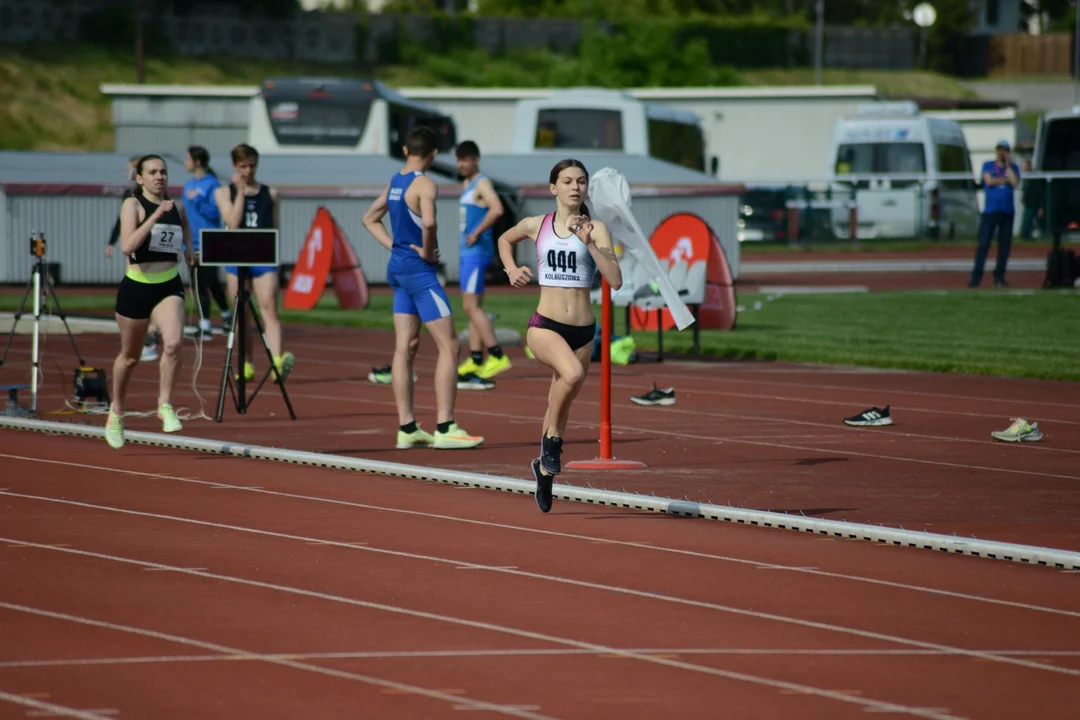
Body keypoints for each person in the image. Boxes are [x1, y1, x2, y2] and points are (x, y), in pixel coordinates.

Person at [496, 159, 623, 513]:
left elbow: (615, 280)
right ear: (553, 188)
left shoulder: (596, 229)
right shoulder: (537, 225)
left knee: (561, 402)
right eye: (567, 181)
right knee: (572, 375)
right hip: (545, 326)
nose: (575, 187)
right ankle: (551, 446)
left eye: (581, 181)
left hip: (582, 331)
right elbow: (505, 239)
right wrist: (510, 268)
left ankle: (544, 469)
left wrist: (591, 245)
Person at [361, 126, 484, 450]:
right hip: (419, 272)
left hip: (398, 269)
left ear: (405, 151)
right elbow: (429, 223)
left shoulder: (395, 182)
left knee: (406, 347)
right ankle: (445, 426)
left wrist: (394, 246)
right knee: (451, 347)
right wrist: (428, 252)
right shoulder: (425, 183)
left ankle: (407, 427)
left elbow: (369, 218)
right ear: (432, 155)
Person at [106, 154, 195, 449]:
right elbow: (128, 246)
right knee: (129, 358)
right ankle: (117, 411)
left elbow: (184, 226)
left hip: (168, 283)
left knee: (173, 343)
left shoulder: (176, 206)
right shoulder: (132, 205)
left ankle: (165, 404)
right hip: (136, 286)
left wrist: (190, 249)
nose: (160, 177)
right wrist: (155, 215)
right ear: (140, 178)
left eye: (164, 172)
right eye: (153, 172)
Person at [214, 143, 295, 383]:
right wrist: (240, 192)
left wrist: (275, 259)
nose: (248, 171)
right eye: (243, 167)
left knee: (269, 309)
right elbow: (233, 221)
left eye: (252, 166)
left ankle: (277, 362)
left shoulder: (270, 194)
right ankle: (246, 362)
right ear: (234, 166)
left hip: (262, 258)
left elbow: (275, 229)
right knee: (242, 314)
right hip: (235, 258)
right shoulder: (223, 193)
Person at [453, 140, 510, 383]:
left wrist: (476, 232)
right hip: (468, 252)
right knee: (473, 307)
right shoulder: (467, 184)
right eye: (459, 159)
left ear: (476, 159)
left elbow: (497, 209)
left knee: (470, 307)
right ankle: (476, 359)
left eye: (465, 159)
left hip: (477, 252)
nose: (461, 164)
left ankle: (497, 355)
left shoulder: (481, 183)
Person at [106, 155, 160, 363]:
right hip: (132, 247)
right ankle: (143, 336)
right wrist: (112, 241)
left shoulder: (152, 195)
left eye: (129, 170)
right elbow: (120, 221)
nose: (125, 173)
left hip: (148, 249)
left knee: (149, 290)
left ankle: (150, 335)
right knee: (137, 288)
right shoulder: (128, 197)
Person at [182, 146, 231, 338]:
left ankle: (205, 325)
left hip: (208, 240)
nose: (185, 163)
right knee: (209, 282)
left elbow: (216, 212)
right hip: (191, 241)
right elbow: (185, 214)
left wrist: (198, 201)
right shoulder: (188, 185)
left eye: (188, 159)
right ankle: (227, 317)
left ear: (197, 162)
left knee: (201, 282)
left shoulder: (212, 185)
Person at [970, 140, 1020, 288]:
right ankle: (976, 278)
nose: (1002, 153)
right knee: (984, 244)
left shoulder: (1013, 167)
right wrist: (1004, 180)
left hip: (1007, 211)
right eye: (1000, 150)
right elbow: (989, 181)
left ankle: (999, 277)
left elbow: (1015, 182)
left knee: (1004, 246)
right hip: (990, 211)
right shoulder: (988, 165)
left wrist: (1008, 167)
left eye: (1005, 150)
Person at [1018, 158, 1046, 240]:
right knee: (1027, 220)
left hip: (1033, 204)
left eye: (1025, 166)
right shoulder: (1025, 178)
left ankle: (1027, 236)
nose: (1023, 168)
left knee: (1029, 221)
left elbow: (1039, 192)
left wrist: (1041, 206)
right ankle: (1025, 235)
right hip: (1027, 204)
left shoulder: (1034, 179)